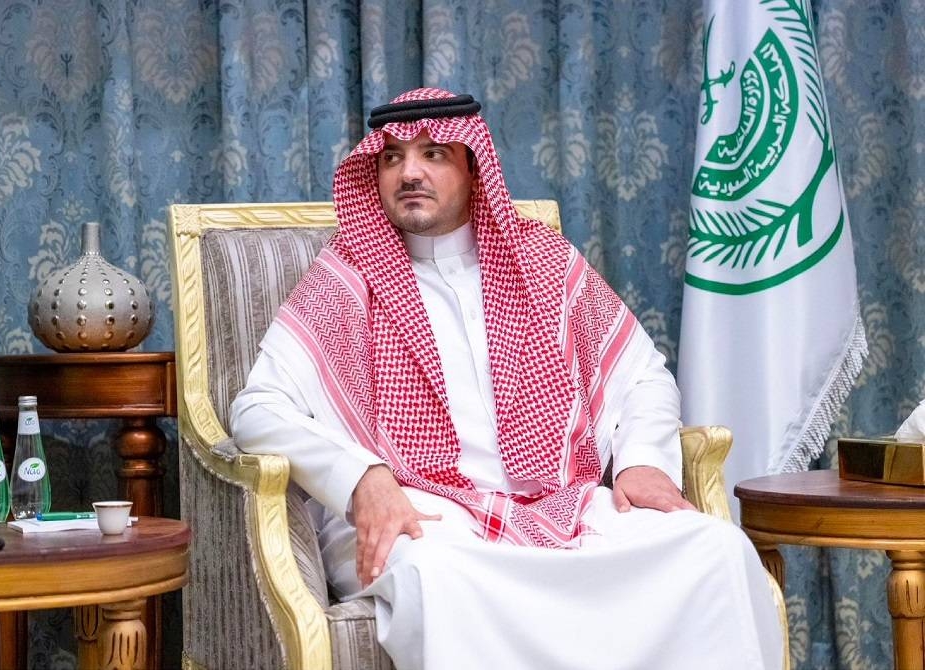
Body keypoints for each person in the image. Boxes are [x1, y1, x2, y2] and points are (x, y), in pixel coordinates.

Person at [231, 88, 782, 670]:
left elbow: (643, 376)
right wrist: (362, 479)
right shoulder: (346, 278)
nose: (409, 173)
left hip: (561, 505)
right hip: (425, 518)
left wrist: (642, 461)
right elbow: (257, 408)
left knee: (715, 549)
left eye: (433, 154)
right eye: (392, 157)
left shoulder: (543, 261)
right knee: (437, 576)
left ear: (474, 168)